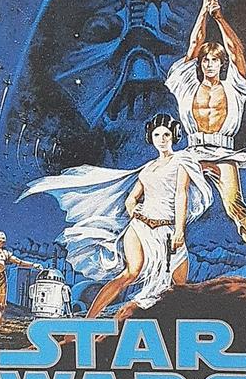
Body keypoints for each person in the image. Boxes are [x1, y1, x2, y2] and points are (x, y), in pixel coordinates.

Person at [19, 114, 212, 320]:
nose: (162, 139)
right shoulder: (148, 168)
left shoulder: (180, 162)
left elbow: (182, 194)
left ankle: (182, 324)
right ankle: (89, 320)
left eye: (166, 134)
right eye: (157, 135)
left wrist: (179, 230)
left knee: (180, 284)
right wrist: (134, 210)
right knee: (130, 273)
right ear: (151, 137)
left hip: (167, 229)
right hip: (140, 228)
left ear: (174, 136)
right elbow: (132, 198)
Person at [166, 0, 246, 286]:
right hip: (193, 153)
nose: (209, 64)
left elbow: (237, 51)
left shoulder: (234, 86)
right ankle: (163, 272)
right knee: (170, 206)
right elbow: (194, 44)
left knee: (236, 206)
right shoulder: (186, 85)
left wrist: (219, 17)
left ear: (221, 64)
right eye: (205, 60)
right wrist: (203, 11)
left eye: (214, 60)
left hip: (222, 154)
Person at [0, 231, 41, 339]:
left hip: (2, 279)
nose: (1, 243)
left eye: (3, 241)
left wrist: (33, 265)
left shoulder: (5, 253)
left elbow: (18, 261)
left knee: (1, 305)